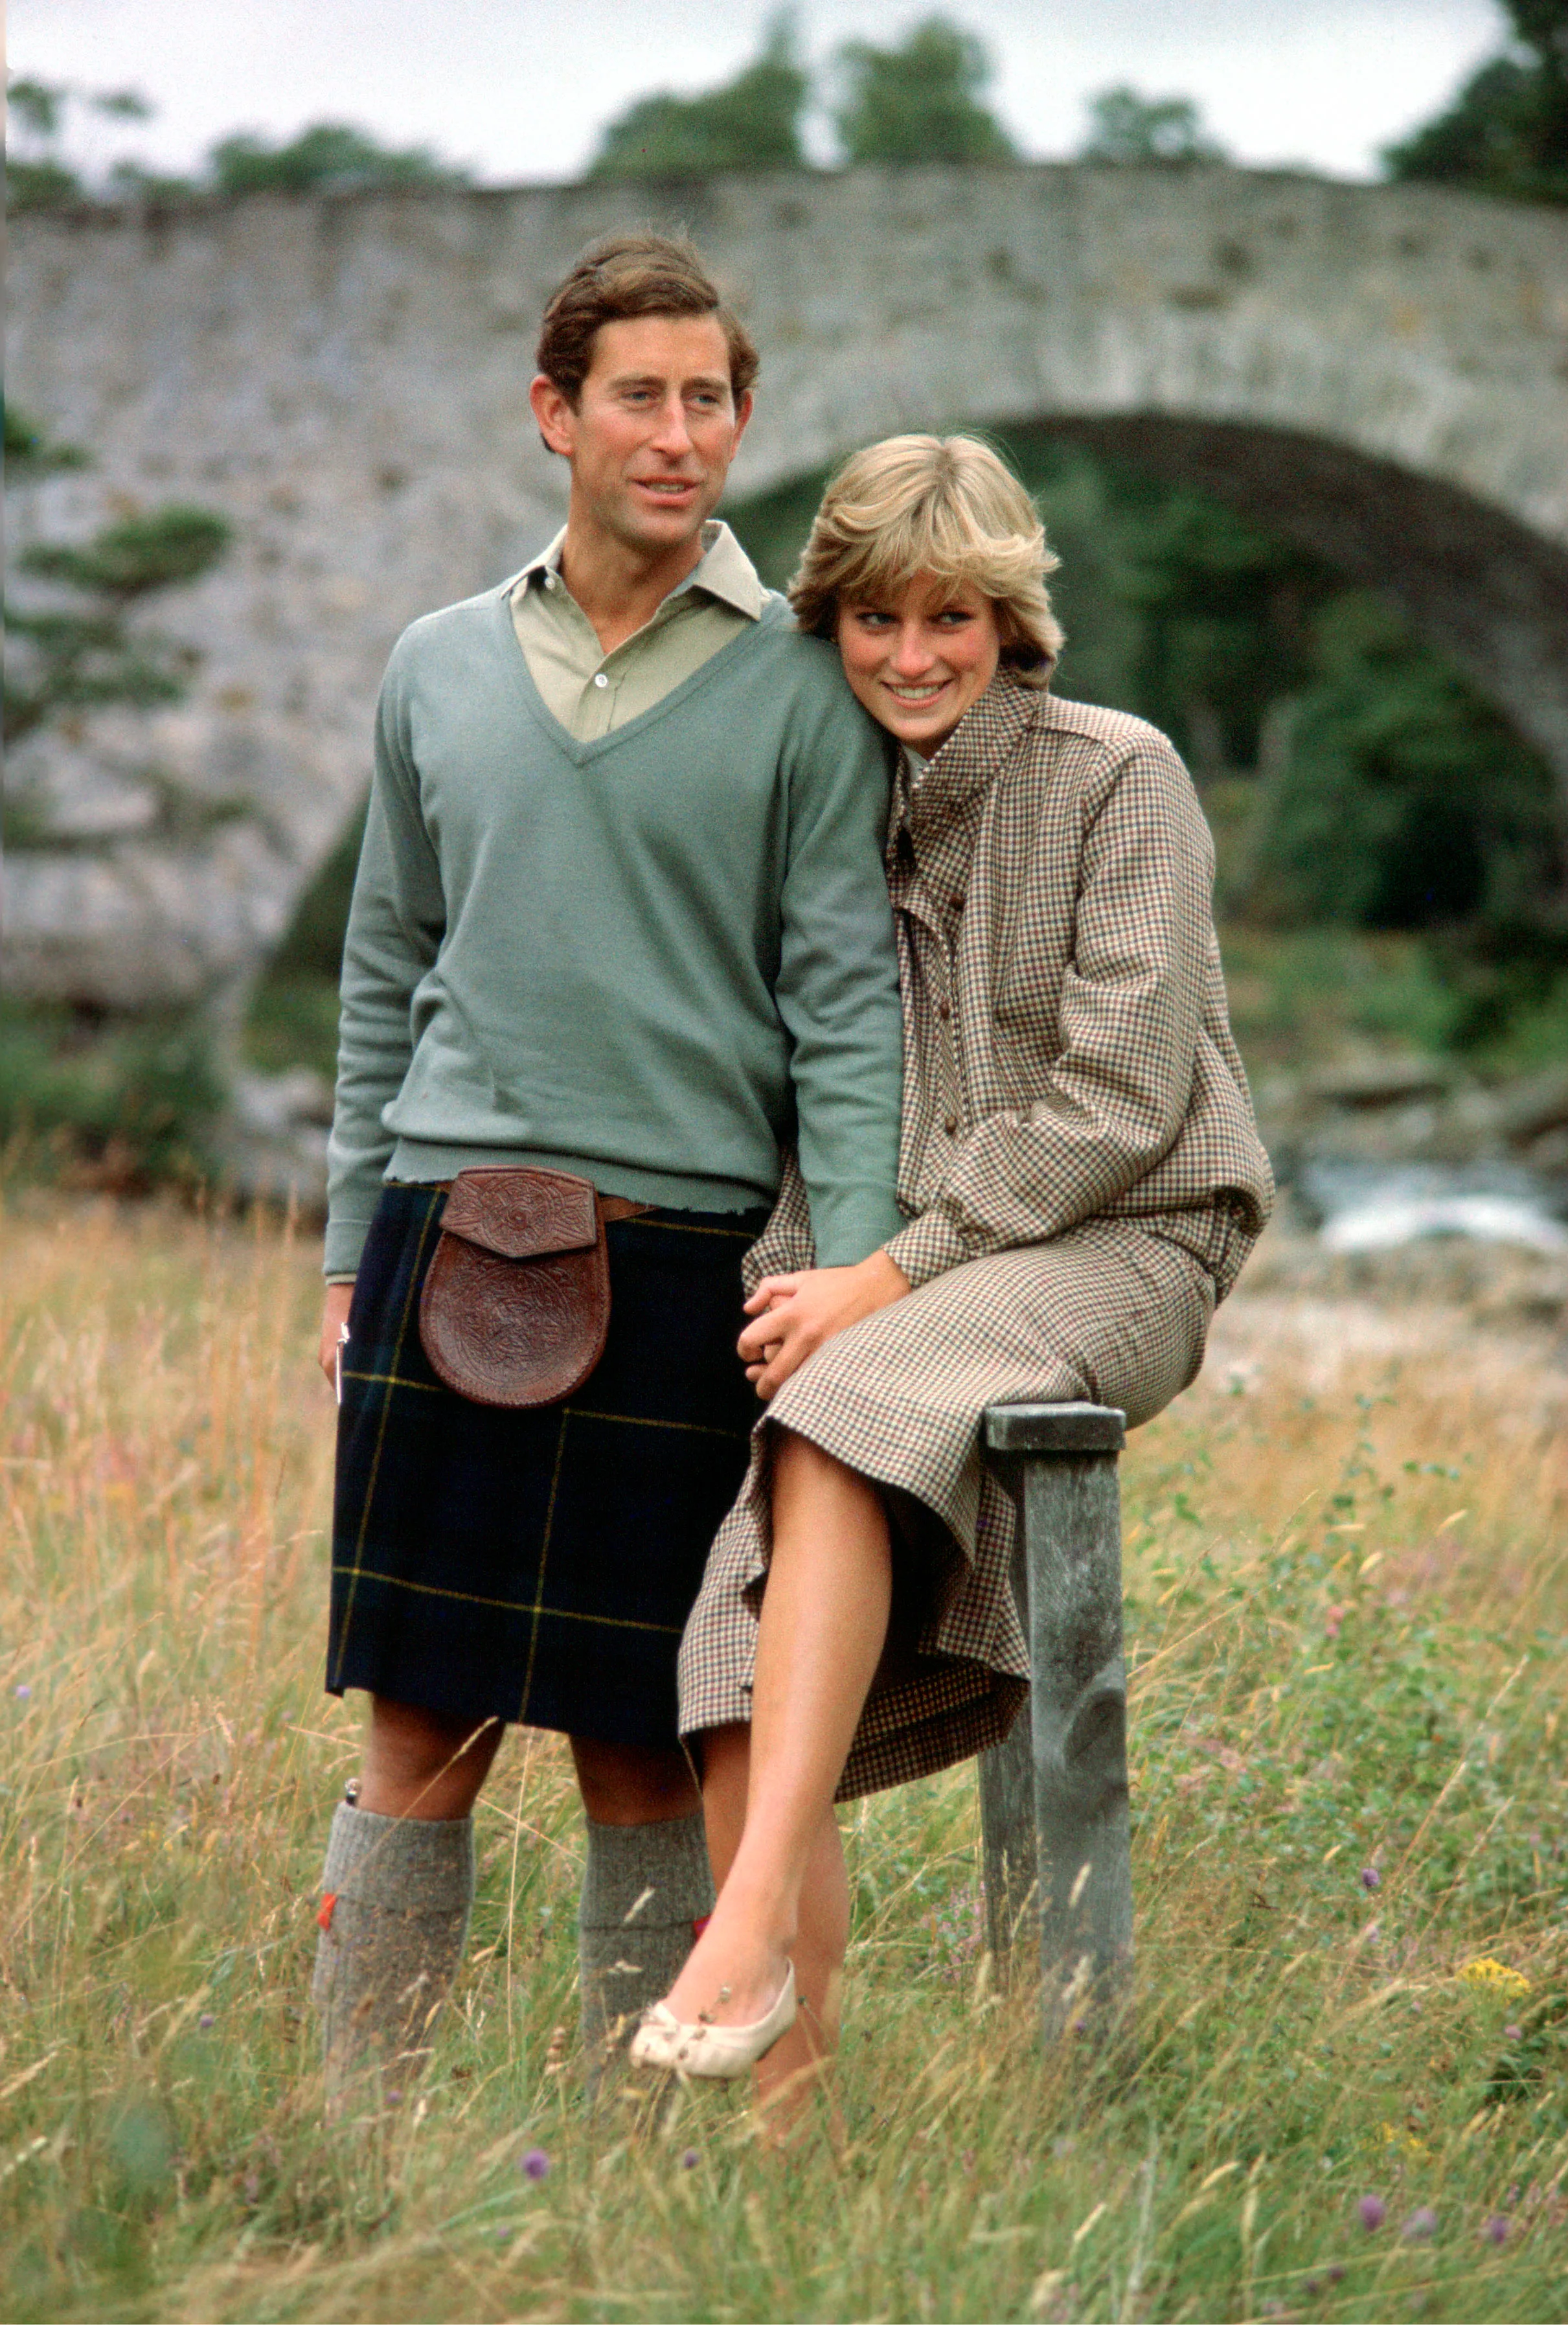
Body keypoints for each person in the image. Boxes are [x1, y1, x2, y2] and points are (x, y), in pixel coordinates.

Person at [310, 234, 906, 2109]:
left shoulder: (805, 687)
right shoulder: (434, 665)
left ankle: (628, 2151)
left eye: (707, 399)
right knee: (416, 1727)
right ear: (554, 415)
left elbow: (846, 1006)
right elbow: (383, 967)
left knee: (647, 1738)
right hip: (441, 1236)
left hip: (682, 1266)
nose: (675, 433)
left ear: (742, 420)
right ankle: (356, 2135)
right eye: (636, 396)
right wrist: (342, 1255)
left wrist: (856, 1280)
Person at [635, 435, 1275, 2103]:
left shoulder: (1118, 774)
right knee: (728, 1643)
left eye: (954, 619)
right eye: (875, 620)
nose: (913, 657)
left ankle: (743, 1921)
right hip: (905, 1286)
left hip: (1131, 1237)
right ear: (830, 626)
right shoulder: (822, 797)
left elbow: (1121, 1097)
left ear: (1011, 623)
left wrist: (890, 1272)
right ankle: (789, 2135)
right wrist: (814, 1272)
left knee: (849, 1396)